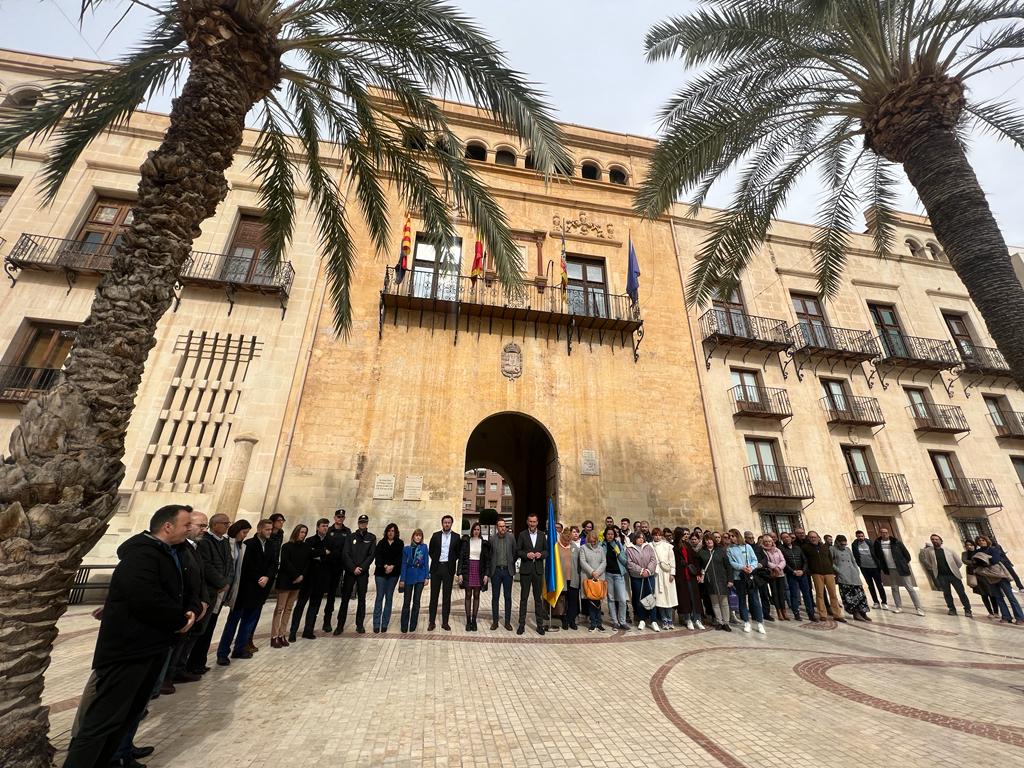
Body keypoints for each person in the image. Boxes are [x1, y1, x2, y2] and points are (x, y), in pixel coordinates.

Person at [63, 505, 195, 768]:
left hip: (149, 648)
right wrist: (180, 620)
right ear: (167, 526)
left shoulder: (167, 553)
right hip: (129, 652)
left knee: (125, 716)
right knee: (103, 721)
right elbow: (145, 598)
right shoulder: (142, 555)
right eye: (186, 524)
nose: (189, 529)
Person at [218, 519, 278, 661]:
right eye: (267, 530)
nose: (270, 532)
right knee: (233, 622)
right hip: (245, 589)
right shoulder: (248, 544)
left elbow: (274, 564)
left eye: (271, 529)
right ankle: (222, 653)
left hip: (260, 591)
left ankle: (240, 649)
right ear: (259, 530)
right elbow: (245, 566)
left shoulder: (272, 545)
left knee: (249, 622)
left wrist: (268, 577)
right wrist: (259, 577)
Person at [185, 512, 233, 676]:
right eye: (225, 523)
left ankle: (199, 662)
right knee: (199, 630)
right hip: (211, 591)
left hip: (219, 592)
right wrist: (221, 583)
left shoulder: (225, 542)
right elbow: (206, 566)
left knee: (209, 628)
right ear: (216, 524)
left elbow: (229, 563)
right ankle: (188, 665)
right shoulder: (205, 541)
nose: (228, 526)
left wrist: (227, 582)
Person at [166, 510, 208, 689]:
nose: (204, 530)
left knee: (188, 638)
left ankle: (176, 670)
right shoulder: (179, 548)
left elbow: (200, 575)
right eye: (201, 525)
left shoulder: (194, 547)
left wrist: (202, 600)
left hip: (194, 603)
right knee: (174, 642)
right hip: (181, 604)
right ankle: (166, 677)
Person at [291, 518, 331, 640]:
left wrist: (318, 554)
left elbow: (331, 557)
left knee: (315, 606)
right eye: (323, 526)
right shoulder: (310, 540)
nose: (325, 528)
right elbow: (308, 556)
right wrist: (323, 552)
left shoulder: (330, 541)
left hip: (321, 579)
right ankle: (293, 631)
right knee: (300, 605)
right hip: (308, 578)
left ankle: (308, 630)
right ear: (318, 527)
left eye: (327, 526)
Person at [336, 514, 376, 634]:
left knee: (362, 599)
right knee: (345, 599)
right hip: (350, 572)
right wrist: (353, 568)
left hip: (363, 573)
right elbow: (345, 553)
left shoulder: (371, 537)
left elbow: (371, 555)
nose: (362, 524)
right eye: (361, 522)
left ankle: (360, 625)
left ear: (367, 523)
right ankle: (340, 625)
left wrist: (362, 568)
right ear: (358, 523)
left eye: (364, 522)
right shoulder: (350, 536)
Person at [973, 535, 1024, 623]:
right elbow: (976, 562)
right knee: (998, 598)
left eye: (983, 540)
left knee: (1010, 597)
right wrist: (986, 560)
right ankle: (1006, 616)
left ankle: (1020, 617)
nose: (981, 542)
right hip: (989, 577)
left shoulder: (993, 549)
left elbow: (995, 560)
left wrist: (984, 561)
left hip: (1000, 576)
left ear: (987, 541)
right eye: (979, 541)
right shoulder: (977, 551)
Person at [872, 527, 923, 615]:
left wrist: (902, 563)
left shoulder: (896, 542)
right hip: (890, 569)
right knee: (894, 588)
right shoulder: (877, 543)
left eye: (886, 532)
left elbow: (907, 555)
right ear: (879, 533)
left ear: (888, 533)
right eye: (882, 532)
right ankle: (898, 607)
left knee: (909, 588)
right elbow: (877, 556)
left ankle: (919, 608)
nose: (884, 534)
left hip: (901, 568)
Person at [919, 534, 972, 616]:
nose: (934, 541)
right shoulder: (929, 551)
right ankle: (952, 609)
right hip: (941, 576)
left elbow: (958, 562)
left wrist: (953, 569)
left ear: (941, 540)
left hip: (953, 575)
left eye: (936, 539)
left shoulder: (949, 550)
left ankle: (967, 609)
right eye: (932, 539)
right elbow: (930, 562)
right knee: (947, 593)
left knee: (961, 592)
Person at [800, 530, 846, 624]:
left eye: (814, 537)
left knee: (833, 594)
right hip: (816, 573)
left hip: (828, 572)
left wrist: (832, 571)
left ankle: (837, 614)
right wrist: (811, 571)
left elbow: (830, 559)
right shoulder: (805, 548)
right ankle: (823, 614)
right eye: (811, 537)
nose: (813, 538)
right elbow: (805, 561)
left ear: (818, 537)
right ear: (808, 538)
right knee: (819, 594)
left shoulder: (825, 547)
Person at [274, 524, 309, 647]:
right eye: (301, 532)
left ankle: (282, 634)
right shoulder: (286, 546)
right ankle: (274, 636)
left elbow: (307, 563)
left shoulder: (305, 547)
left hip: (298, 582)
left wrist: (302, 576)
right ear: (296, 532)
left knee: (288, 609)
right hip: (286, 581)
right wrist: (296, 576)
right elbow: (285, 562)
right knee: (280, 609)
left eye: (305, 532)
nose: (303, 534)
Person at [726, 528, 765, 634]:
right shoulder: (729, 549)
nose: (731, 538)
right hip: (739, 577)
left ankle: (759, 622)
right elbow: (731, 563)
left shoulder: (747, 546)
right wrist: (742, 567)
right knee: (742, 600)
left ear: (737, 536)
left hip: (749, 576)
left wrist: (751, 568)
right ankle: (746, 621)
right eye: (729, 536)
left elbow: (754, 559)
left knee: (754, 599)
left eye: (732, 536)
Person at [428, 515, 461, 631]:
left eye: (449, 522)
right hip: (436, 568)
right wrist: (436, 559)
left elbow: (458, 552)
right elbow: (431, 550)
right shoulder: (435, 535)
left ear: (451, 524)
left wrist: (451, 561)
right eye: (445, 522)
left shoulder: (457, 537)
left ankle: (445, 622)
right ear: (442, 523)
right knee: (434, 596)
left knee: (446, 597)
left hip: (448, 569)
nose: (447, 524)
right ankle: (431, 622)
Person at [516, 513, 547, 635]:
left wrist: (541, 555)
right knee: (524, 598)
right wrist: (526, 555)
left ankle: (539, 625)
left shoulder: (541, 535)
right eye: (530, 521)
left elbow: (547, 551)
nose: (532, 524)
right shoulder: (522, 535)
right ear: (527, 522)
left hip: (538, 570)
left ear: (537, 522)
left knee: (538, 599)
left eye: (534, 522)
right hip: (526, 570)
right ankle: (521, 625)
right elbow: (518, 550)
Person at [456, 522, 489, 631]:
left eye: (478, 529)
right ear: (472, 530)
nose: (476, 531)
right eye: (474, 529)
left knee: (476, 595)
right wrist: (459, 573)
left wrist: (486, 575)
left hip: (479, 570)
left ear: (480, 531)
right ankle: (468, 620)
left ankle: (474, 620)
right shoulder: (466, 542)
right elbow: (461, 558)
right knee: (468, 594)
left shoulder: (483, 543)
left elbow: (487, 561)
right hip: (468, 569)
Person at [322, 509, 350, 633]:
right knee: (325, 593)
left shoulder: (347, 531)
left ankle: (328, 621)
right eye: (338, 516)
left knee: (333, 594)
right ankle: (323, 620)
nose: (340, 518)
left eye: (342, 517)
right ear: (334, 517)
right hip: (327, 567)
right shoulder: (328, 530)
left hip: (339, 567)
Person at [697, 533, 732, 631]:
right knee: (715, 603)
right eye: (706, 540)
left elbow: (728, 566)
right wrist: (700, 575)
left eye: (710, 539)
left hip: (722, 580)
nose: (708, 541)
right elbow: (699, 567)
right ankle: (719, 621)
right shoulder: (701, 553)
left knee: (724, 602)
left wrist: (730, 580)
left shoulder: (721, 551)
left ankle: (726, 622)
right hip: (710, 580)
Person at [373, 523, 403, 633]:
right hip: (381, 573)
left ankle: (385, 623)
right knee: (379, 597)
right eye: (389, 530)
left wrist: (392, 566)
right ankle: (376, 624)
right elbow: (378, 557)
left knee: (389, 597)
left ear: (396, 533)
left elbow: (400, 557)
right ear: (386, 532)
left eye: (393, 531)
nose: (391, 533)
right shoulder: (381, 543)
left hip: (393, 575)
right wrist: (385, 566)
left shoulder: (400, 543)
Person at [833, 535, 871, 621]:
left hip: (853, 573)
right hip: (843, 575)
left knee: (860, 594)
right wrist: (838, 570)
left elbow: (853, 560)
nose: (844, 546)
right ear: (837, 542)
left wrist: (856, 570)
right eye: (842, 544)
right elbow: (830, 562)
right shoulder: (833, 549)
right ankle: (855, 613)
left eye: (845, 544)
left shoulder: (848, 549)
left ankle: (863, 612)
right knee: (849, 595)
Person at [626, 531, 659, 631]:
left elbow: (653, 560)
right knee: (639, 597)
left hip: (649, 576)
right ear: (635, 539)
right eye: (639, 538)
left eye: (642, 538)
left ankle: (653, 620)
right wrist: (640, 570)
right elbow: (629, 563)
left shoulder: (648, 547)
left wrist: (648, 570)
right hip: (637, 577)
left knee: (650, 597)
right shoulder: (629, 549)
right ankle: (642, 619)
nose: (641, 539)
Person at [488, 517, 516, 630]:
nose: (502, 528)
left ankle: (507, 622)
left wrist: (511, 562)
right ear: (497, 527)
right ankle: (495, 621)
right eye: (500, 526)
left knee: (508, 597)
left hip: (508, 571)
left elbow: (515, 552)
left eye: (504, 526)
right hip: (496, 572)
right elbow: (489, 555)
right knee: (495, 597)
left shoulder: (511, 538)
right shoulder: (492, 539)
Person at [780, 531, 815, 621]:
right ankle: (796, 613)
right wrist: (793, 571)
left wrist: (803, 571)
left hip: (802, 574)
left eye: (787, 537)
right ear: (782, 539)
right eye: (784, 537)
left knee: (807, 594)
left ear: (790, 538)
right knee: (794, 594)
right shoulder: (781, 549)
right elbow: (784, 563)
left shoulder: (798, 548)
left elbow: (805, 561)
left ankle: (811, 613)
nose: (786, 539)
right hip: (791, 575)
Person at [399, 528, 429, 633]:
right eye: (416, 535)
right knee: (406, 602)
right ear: (413, 536)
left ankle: (413, 624)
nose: (418, 537)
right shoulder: (406, 549)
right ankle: (404, 625)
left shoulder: (424, 547)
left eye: (420, 535)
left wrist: (427, 577)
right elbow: (403, 564)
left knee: (416, 602)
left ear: (422, 537)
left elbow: (426, 562)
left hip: (420, 578)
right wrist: (402, 579)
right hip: (408, 577)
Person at [578, 530, 607, 631]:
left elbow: (604, 561)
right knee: (591, 601)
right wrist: (592, 572)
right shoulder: (583, 548)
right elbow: (582, 561)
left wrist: (597, 572)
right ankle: (593, 623)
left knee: (598, 601)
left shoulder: (601, 548)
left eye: (595, 541)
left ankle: (599, 622)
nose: (593, 543)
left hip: (599, 578)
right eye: (591, 541)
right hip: (588, 578)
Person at [852, 530, 888, 610]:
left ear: (864, 535)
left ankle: (884, 602)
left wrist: (879, 564)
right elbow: (855, 555)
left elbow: (877, 553)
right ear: (856, 537)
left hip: (874, 567)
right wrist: (859, 565)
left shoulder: (870, 542)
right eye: (859, 536)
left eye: (862, 536)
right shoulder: (854, 544)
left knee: (879, 585)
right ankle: (876, 602)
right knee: (870, 586)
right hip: (864, 568)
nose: (861, 538)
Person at [963, 539, 997, 617]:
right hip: (975, 576)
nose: (969, 546)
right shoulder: (965, 553)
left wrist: (976, 561)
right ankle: (990, 612)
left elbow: (984, 561)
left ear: (974, 545)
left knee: (991, 593)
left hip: (985, 574)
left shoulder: (979, 551)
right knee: (983, 594)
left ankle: (996, 612)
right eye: (967, 545)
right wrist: (975, 561)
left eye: (970, 544)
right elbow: (965, 561)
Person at [651, 528, 677, 630]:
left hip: (667, 573)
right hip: (657, 574)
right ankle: (664, 619)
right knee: (660, 598)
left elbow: (672, 559)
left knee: (669, 597)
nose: (657, 537)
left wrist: (673, 573)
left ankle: (670, 619)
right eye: (655, 535)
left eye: (659, 535)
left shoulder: (667, 546)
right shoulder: (650, 546)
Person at [603, 526, 629, 630]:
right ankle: (615, 621)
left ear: (614, 535)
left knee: (622, 599)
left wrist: (618, 553)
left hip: (619, 575)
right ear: (605, 535)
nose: (610, 536)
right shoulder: (602, 545)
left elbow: (624, 561)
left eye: (612, 534)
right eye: (608, 534)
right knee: (611, 599)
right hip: (608, 575)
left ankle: (622, 621)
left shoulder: (618, 544)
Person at [555, 526, 580, 630]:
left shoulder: (574, 546)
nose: (566, 542)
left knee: (573, 600)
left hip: (573, 578)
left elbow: (579, 562)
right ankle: (564, 619)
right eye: (565, 540)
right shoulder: (556, 547)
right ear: (561, 537)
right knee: (562, 601)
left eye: (568, 540)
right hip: (562, 579)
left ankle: (572, 620)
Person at [760, 534, 789, 621]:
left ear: (772, 542)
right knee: (775, 593)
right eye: (766, 542)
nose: (768, 543)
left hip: (780, 573)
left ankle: (784, 611)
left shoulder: (777, 550)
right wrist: (774, 567)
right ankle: (779, 612)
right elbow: (766, 561)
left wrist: (779, 567)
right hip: (772, 574)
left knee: (782, 593)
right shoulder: (763, 551)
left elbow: (783, 560)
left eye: (769, 541)